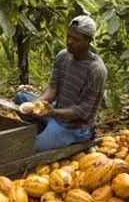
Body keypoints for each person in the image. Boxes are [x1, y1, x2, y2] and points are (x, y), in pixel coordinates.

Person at [14, 15, 107, 151]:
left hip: (75, 127)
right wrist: (36, 104)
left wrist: (52, 112)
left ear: (88, 41)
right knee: (21, 98)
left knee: (33, 148)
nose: (69, 42)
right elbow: (52, 90)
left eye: (76, 39)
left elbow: (81, 112)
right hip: (56, 113)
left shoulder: (96, 70)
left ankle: (74, 140)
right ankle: (46, 129)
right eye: (68, 36)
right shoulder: (63, 56)